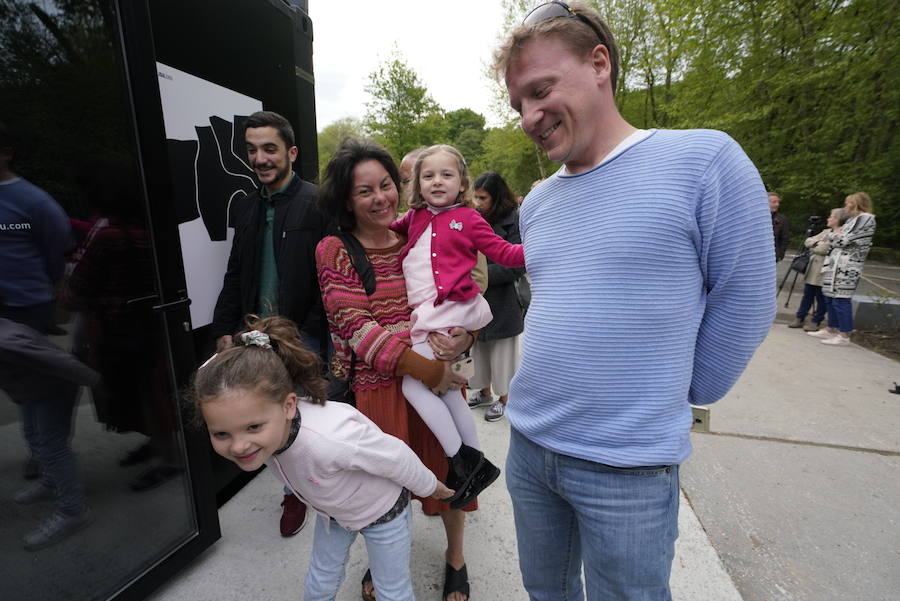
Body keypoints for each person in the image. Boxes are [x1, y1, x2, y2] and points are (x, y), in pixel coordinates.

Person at [494, 3, 775, 599]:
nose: (529, 116)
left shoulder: (703, 161)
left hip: (628, 466)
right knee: (546, 593)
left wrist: (682, 392)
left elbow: (747, 298)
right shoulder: (540, 203)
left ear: (600, 64)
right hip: (529, 446)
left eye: (541, 90)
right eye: (518, 102)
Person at [315, 137, 477, 601]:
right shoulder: (335, 249)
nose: (380, 197)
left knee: (451, 474)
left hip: (437, 380)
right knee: (386, 490)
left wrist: (466, 336)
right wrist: (431, 370)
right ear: (346, 199)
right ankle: (386, 561)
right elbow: (357, 329)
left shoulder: (418, 234)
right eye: (364, 191)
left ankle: (455, 557)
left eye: (386, 185)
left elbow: (460, 292)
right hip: (380, 393)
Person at [192, 316, 452, 601]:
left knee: (392, 590)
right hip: (335, 513)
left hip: (383, 511)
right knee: (320, 579)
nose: (239, 446)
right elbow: (209, 377)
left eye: (253, 427)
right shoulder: (265, 432)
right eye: (221, 434)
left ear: (289, 405)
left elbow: (396, 455)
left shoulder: (330, 438)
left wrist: (430, 486)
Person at [210, 110, 330, 537]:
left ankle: (307, 492)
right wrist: (225, 328)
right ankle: (292, 490)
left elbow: (332, 274)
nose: (260, 158)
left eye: (270, 149)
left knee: (302, 419)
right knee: (266, 418)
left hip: (302, 336)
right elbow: (235, 270)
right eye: (252, 150)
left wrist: (312, 330)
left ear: (291, 153)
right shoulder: (245, 206)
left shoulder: (317, 203)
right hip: (252, 335)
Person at [390, 144, 524, 503]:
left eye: (446, 174)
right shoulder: (414, 218)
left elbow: (503, 252)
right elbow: (385, 230)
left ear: (462, 182)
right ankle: (474, 459)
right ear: (417, 184)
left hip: (448, 310)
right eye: (428, 175)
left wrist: (544, 248)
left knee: (414, 386)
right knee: (447, 390)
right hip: (431, 312)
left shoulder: (468, 218)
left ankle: (461, 458)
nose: (437, 181)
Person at [0, 121, 94, 549]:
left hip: (28, 318)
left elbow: (57, 247)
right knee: (28, 408)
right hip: (9, 327)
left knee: (44, 406)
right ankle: (47, 470)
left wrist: (47, 297)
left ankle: (70, 504)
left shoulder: (32, 203)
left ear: (6, 152)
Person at [467, 171, 526, 422]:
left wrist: (479, 276)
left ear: (497, 197)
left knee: (503, 354)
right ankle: (484, 391)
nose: (478, 203)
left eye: (483, 198)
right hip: (476, 300)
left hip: (502, 300)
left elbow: (517, 264)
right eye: (475, 197)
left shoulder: (514, 221)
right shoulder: (473, 219)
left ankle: (505, 399)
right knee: (478, 350)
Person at [808, 192, 877, 346]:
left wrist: (832, 237)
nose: (846, 206)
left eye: (848, 203)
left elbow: (842, 240)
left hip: (848, 265)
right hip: (836, 263)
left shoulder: (865, 219)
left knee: (841, 298)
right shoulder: (853, 220)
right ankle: (831, 328)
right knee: (830, 297)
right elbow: (836, 238)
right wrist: (834, 237)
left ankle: (844, 334)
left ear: (856, 204)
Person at [788, 208, 850, 332]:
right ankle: (800, 317)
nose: (828, 218)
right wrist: (817, 243)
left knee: (822, 298)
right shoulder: (826, 231)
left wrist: (815, 245)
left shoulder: (842, 234)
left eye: (831, 216)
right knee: (807, 295)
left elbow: (823, 249)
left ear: (838, 219)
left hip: (826, 271)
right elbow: (808, 241)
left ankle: (816, 321)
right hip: (813, 270)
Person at [769, 191, 790, 262]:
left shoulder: (782, 219)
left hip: (772, 256)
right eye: (774, 202)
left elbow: (785, 239)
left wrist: (780, 254)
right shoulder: (755, 217)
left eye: (778, 202)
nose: (777, 204)